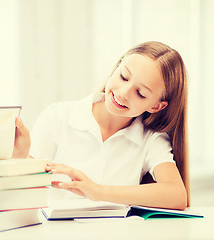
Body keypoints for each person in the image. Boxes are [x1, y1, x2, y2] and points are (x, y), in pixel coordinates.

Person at [13, 41, 188, 210]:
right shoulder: (58, 117)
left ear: (156, 106)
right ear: (116, 68)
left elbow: (177, 195)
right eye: (123, 77)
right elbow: (20, 192)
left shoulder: (150, 139)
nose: (124, 92)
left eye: (140, 93)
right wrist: (19, 158)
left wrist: (98, 191)